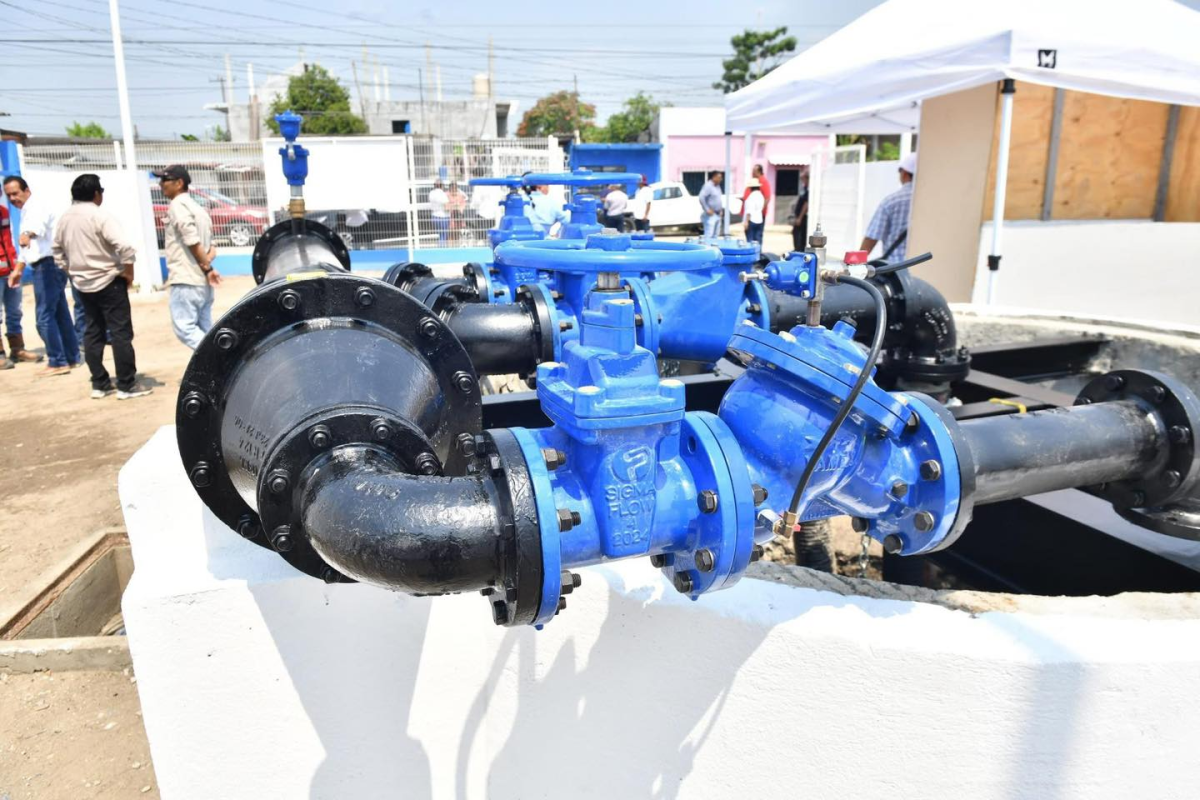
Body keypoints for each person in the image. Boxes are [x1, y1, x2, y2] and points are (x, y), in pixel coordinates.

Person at [53, 173, 152, 399]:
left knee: (93, 331)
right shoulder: (99, 216)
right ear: (96, 193)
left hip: (82, 283)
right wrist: (129, 274)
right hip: (109, 281)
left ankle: (99, 383)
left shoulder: (65, 218)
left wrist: (72, 271)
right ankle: (126, 384)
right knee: (120, 332)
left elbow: (57, 251)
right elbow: (125, 247)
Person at [3, 175, 79, 376]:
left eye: (15, 193)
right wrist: (19, 269)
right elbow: (29, 247)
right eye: (9, 195)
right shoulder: (26, 209)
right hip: (50, 265)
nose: (12, 198)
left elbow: (36, 228)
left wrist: (27, 234)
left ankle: (57, 361)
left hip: (48, 267)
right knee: (60, 314)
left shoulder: (35, 207)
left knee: (44, 318)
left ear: (26, 190)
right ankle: (71, 357)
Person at [156, 165, 220, 350]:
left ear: (179, 183)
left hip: (186, 278)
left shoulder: (178, 205)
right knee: (205, 329)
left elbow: (191, 240)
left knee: (185, 328)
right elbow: (212, 248)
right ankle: (216, 364)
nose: (161, 184)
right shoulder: (197, 208)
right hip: (201, 281)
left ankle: (216, 357)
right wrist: (207, 266)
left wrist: (207, 268)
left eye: (165, 180)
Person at [0, 203, 42, 369]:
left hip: (10, 269)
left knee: (15, 312)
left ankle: (17, 349)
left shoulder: (3, 212)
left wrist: (17, 264)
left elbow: (9, 240)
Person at [861, 152, 917, 262]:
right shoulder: (931, 201)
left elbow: (871, 238)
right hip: (922, 267)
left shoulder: (891, 202)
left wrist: (856, 264)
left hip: (896, 268)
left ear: (905, 173)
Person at [698, 170, 724, 238]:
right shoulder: (708, 186)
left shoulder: (717, 186)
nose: (721, 179)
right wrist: (707, 209)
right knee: (709, 235)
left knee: (715, 235)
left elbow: (717, 199)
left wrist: (720, 210)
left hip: (718, 214)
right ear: (714, 177)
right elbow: (701, 198)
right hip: (710, 215)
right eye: (719, 177)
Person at [791, 169, 809, 252]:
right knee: (795, 233)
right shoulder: (804, 188)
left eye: (803, 178)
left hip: (803, 217)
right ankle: (797, 249)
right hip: (798, 216)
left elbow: (806, 204)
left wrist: (800, 218)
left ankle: (799, 250)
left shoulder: (809, 190)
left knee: (800, 236)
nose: (802, 180)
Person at [742, 179, 765, 245]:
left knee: (750, 240)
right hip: (759, 219)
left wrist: (746, 222)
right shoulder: (761, 196)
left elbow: (749, 211)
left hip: (751, 220)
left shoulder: (751, 197)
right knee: (758, 240)